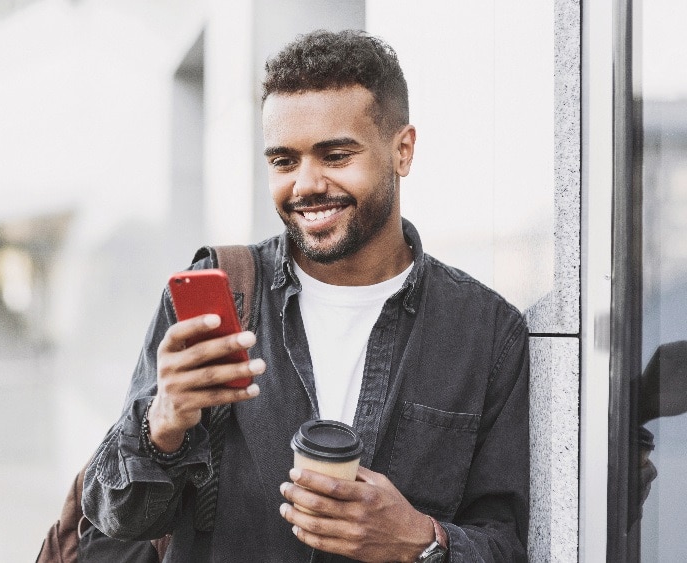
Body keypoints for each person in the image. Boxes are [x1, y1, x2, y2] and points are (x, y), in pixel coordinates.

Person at [82, 29, 529, 562]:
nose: (306, 184)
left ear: (402, 151)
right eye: (284, 161)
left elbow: (506, 544)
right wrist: (164, 423)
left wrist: (419, 540)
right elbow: (118, 518)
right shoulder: (219, 291)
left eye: (335, 155)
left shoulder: (485, 331)